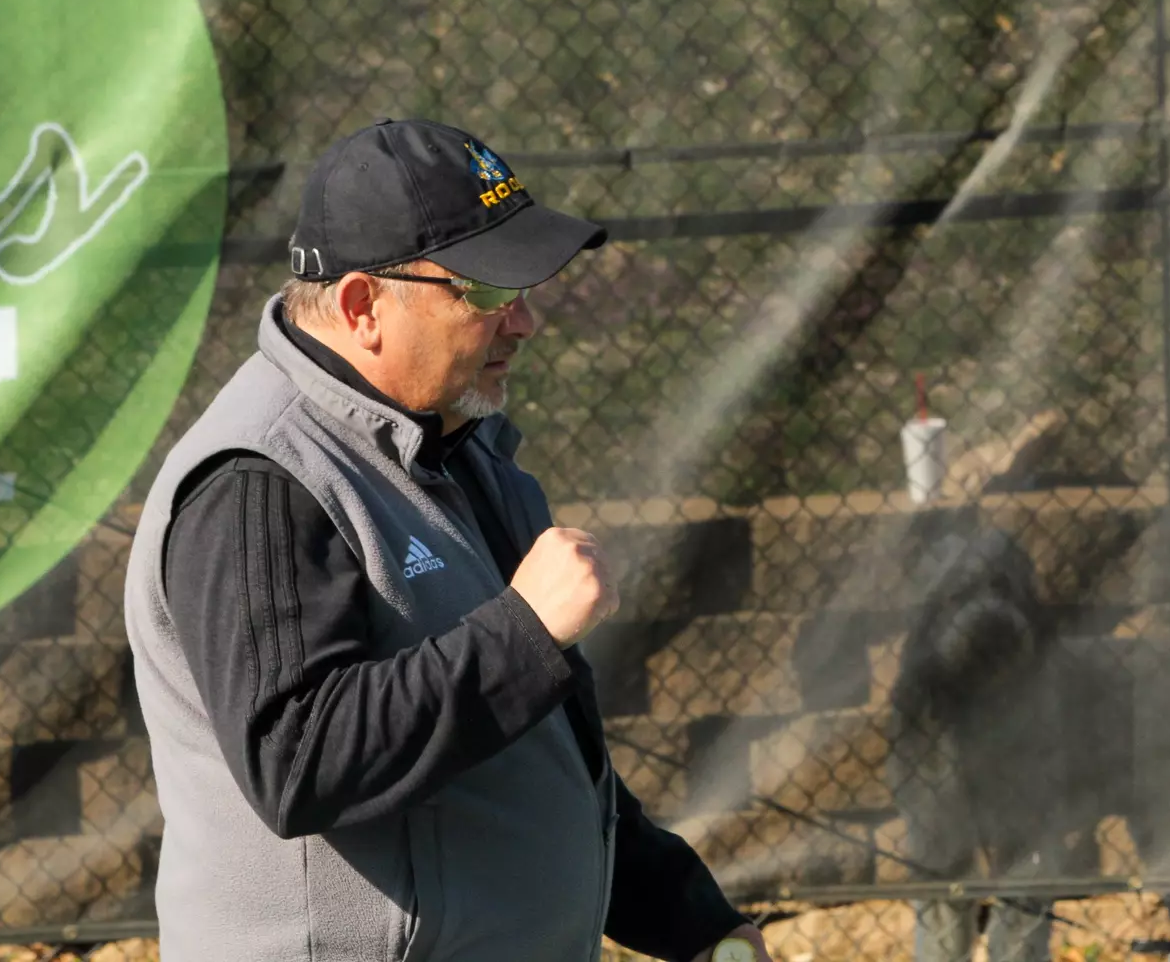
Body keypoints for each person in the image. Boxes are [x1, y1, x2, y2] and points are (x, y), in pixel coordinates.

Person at [125, 117, 773, 962]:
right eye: (491, 293)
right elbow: (298, 761)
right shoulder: (260, 481)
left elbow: (538, 756)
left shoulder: (457, 445)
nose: (526, 322)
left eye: (526, 288)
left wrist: (691, 921)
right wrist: (523, 632)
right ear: (363, 307)